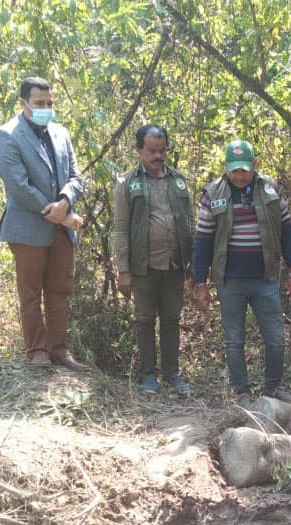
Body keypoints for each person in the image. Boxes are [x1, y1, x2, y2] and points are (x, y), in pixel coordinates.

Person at [192, 139, 291, 402]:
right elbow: (203, 239)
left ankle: (272, 389)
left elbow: (286, 231)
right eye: (234, 170)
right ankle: (242, 392)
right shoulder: (212, 193)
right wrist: (200, 282)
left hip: (266, 277)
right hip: (230, 281)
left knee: (275, 338)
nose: (239, 176)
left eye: (244, 169)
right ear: (226, 168)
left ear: (254, 165)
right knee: (234, 340)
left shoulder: (271, 189)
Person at [0, 76, 85, 371]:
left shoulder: (60, 133)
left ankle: (59, 349)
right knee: (30, 292)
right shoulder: (7, 134)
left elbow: (76, 177)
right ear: (24, 103)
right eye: (39, 103)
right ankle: (37, 350)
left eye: (50, 103)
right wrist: (59, 213)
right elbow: (19, 186)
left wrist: (65, 202)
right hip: (27, 228)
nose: (46, 108)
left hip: (61, 226)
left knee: (60, 290)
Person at [113, 124, 192, 394]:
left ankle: (172, 374)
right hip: (143, 266)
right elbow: (121, 228)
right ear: (139, 151)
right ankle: (148, 375)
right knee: (145, 320)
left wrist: (192, 263)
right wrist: (123, 270)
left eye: (162, 151)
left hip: (174, 264)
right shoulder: (127, 183)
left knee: (171, 319)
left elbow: (188, 223)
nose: (158, 156)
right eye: (151, 151)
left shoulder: (178, 180)